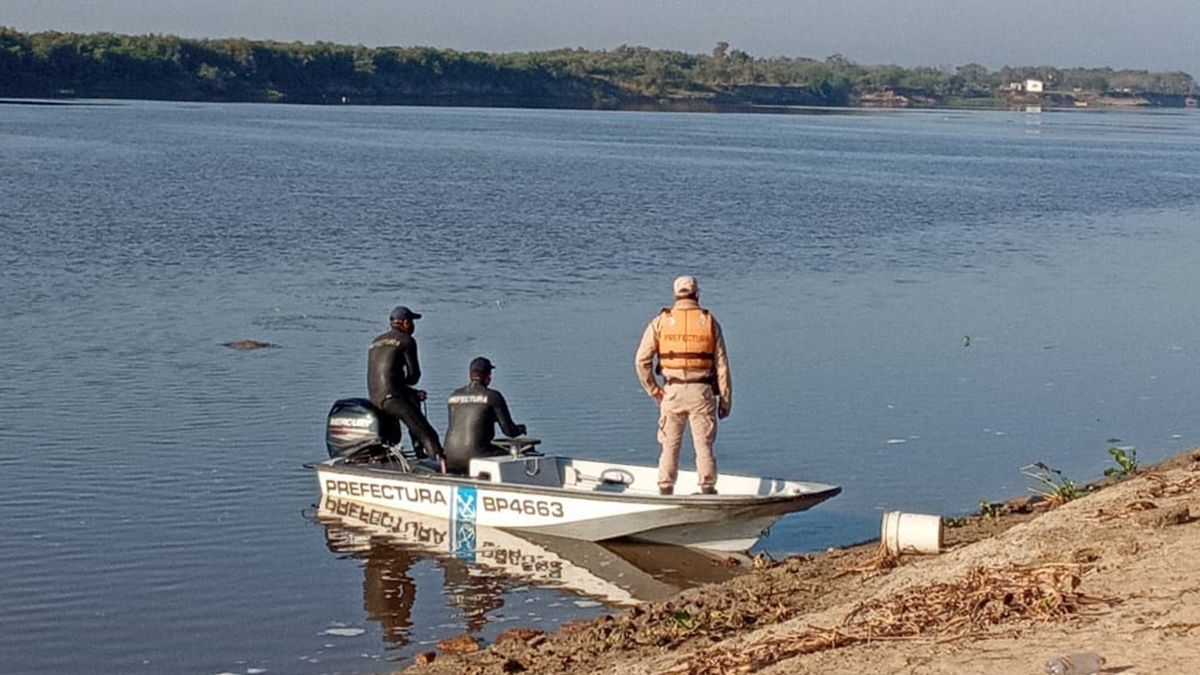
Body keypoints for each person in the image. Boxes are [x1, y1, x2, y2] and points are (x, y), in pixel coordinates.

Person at [634, 275, 732, 495]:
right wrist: (725, 399)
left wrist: (654, 390)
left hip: (672, 391)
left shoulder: (660, 321)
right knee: (704, 446)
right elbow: (722, 365)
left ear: (676, 295)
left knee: (669, 445)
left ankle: (665, 489)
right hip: (702, 392)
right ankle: (707, 488)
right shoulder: (708, 321)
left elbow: (641, 361)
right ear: (697, 294)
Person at [367, 306, 445, 460]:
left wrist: (412, 393)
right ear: (406, 322)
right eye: (412, 322)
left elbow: (384, 378)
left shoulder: (375, 342)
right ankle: (441, 466)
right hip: (392, 397)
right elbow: (414, 376)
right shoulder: (407, 341)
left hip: (375, 397)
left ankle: (421, 458)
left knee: (411, 412)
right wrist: (409, 384)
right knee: (427, 433)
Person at [442, 357, 527, 474]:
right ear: (489, 377)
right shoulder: (492, 397)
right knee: (522, 452)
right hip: (476, 456)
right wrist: (521, 429)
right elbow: (509, 431)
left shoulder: (454, 396)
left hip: (450, 456)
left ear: (470, 375)